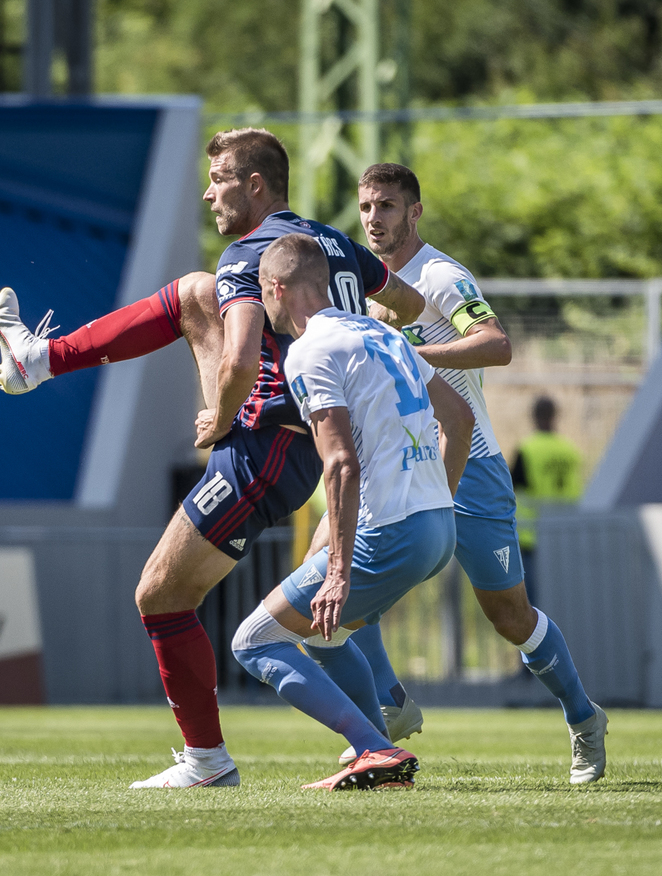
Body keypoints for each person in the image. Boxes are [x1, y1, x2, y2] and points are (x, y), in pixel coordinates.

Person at [0, 127, 425, 789]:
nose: (207, 193)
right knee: (195, 294)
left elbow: (242, 359)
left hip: (266, 448)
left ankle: (215, 762)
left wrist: (219, 419)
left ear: (255, 185)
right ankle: (40, 360)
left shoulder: (249, 254)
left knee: (161, 595)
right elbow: (409, 305)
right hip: (298, 445)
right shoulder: (330, 243)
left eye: (218, 179)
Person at [316, 163, 608, 784]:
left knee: (510, 617)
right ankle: (390, 704)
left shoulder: (441, 276)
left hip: (470, 464)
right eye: (366, 206)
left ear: (414, 212)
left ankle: (584, 718)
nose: (374, 218)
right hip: (394, 466)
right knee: (333, 577)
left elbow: (496, 345)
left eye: (387, 206)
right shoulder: (359, 286)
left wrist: (407, 353)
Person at [229, 233, 475, 790]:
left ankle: (372, 746)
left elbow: (340, 463)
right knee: (325, 634)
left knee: (255, 640)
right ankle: (380, 752)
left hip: (390, 532)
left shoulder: (308, 351)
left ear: (277, 288)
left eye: (261, 292)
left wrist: (337, 571)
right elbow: (459, 419)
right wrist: (436, 498)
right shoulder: (385, 335)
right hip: (438, 527)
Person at [510, 396, 584, 588]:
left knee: (533, 596)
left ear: (533, 416)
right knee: (562, 592)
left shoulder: (527, 449)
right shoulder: (569, 449)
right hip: (563, 531)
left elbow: (509, 487)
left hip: (532, 535)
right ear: (555, 416)